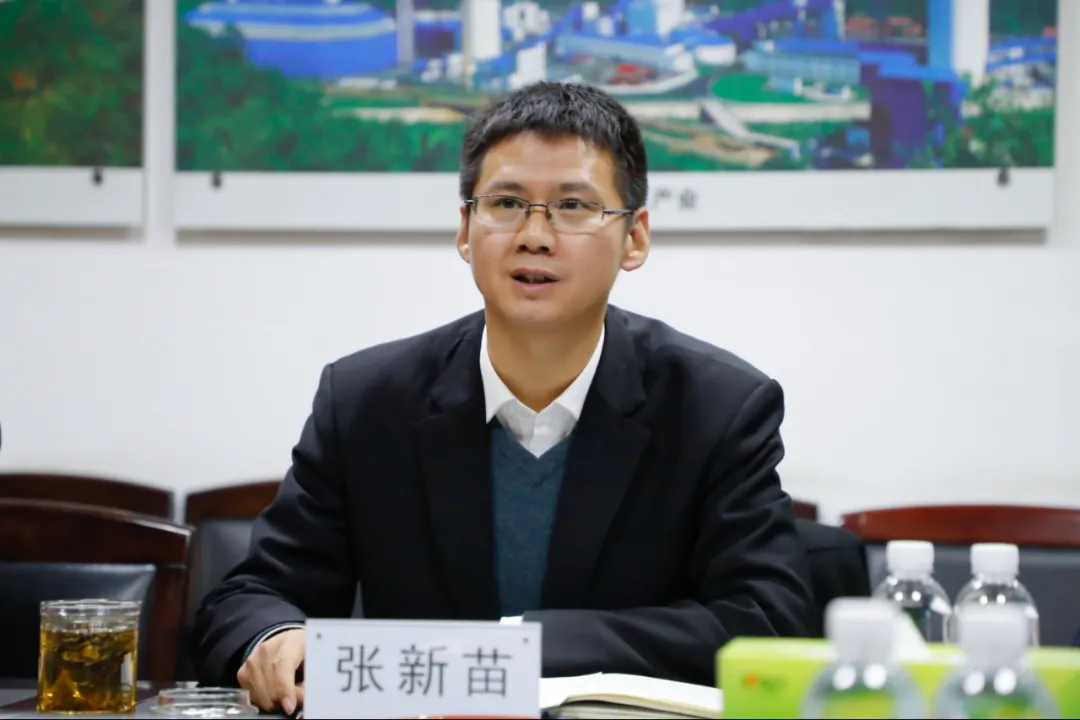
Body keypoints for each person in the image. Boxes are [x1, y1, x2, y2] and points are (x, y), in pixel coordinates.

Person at [191, 81, 816, 714]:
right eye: (507, 203)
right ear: (466, 229)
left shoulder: (718, 408)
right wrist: (274, 637)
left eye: (573, 206)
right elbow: (249, 597)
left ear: (635, 238)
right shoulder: (365, 402)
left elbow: (766, 621)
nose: (534, 235)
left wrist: (520, 647)